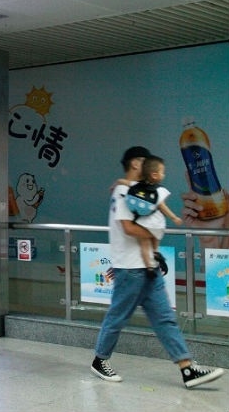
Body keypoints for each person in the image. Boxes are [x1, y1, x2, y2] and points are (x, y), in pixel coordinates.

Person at [91, 146, 224, 388]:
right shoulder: (123, 192)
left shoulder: (137, 189)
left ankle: (187, 369)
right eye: (145, 161)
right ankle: (100, 360)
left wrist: (154, 250)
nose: (151, 166)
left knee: (165, 319)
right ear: (135, 163)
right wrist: (155, 233)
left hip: (148, 267)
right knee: (118, 316)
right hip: (130, 269)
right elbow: (128, 228)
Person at [117, 155, 182, 276]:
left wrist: (117, 182)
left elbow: (125, 182)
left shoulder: (137, 186)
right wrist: (174, 218)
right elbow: (162, 207)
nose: (164, 175)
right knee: (155, 240)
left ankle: (149, 267)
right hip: (156, 223)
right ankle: (156, 252)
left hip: (142, 222)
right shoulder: (158, 190)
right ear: (154, 175)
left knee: (144, 245)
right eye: (162, 172)